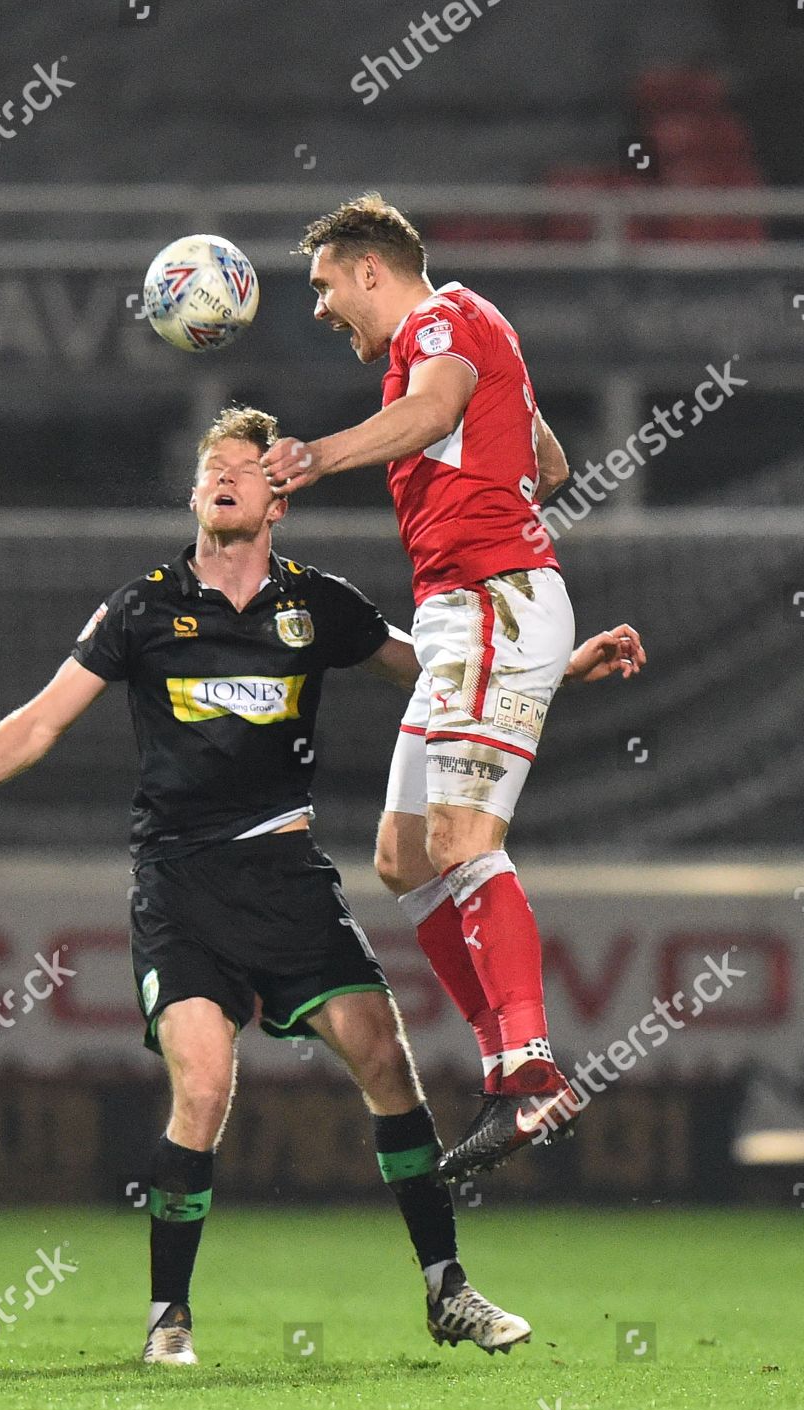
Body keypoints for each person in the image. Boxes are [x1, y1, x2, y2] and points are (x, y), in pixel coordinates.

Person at [0, 405, 541, 1367]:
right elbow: (39, 720)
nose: (226, 477)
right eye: (211, 469)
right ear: (197, 496)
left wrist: (554, 668)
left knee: (388, 1066)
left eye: (246, 466)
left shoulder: (318, 604)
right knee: (204, 1087)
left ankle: (448, 1289)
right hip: (181, 884)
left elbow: (439, 681)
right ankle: (167, 1321)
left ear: (279, 496)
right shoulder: (142, 608)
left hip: (289, 878)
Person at [261, 194, 646, 1181]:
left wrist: (315, 456)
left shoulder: (441, 323)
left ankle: (530, 1074)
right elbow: (547, 461)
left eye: (322, 287)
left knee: (465, 841)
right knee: (400, 856)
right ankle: (502, 1073)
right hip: (474, 618)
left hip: (492, 601)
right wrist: (544, 658)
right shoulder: (469, 332)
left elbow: (433, 414)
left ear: (370, 273)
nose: (318, 310)